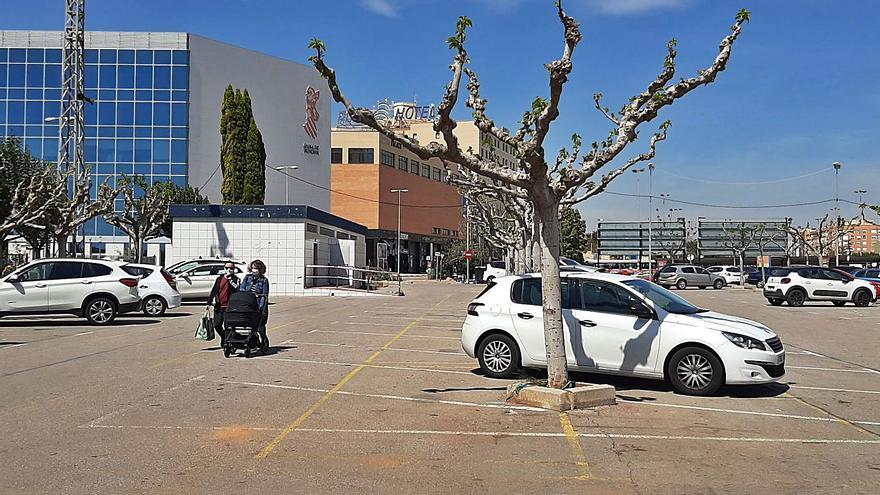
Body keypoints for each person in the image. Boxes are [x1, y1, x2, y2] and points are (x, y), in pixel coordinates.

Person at [206, 262, 241, 346]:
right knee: (217, 325)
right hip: (219, 305)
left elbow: (237, 289)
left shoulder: (236, 279)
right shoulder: (219, 278)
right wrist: (209, 302)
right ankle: (223, 337)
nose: (229, 270)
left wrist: (230, 280)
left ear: (234, 269)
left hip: (229, 306)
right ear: (224, 268)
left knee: (227, 325)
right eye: (227, 268)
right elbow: (214, 290)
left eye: (231, 268)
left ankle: (226, 342)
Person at [240, 260, 270, 349]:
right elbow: (242, 288)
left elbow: (265, 295)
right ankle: (250, 340)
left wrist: (261, 307)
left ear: (260, 270)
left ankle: (263, 339)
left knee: (260, 325)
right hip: (248, 304)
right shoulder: (247, 278)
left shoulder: (264, 280)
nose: (254, 270)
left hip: (258, 305)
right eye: (253, 268)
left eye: (256, 268)